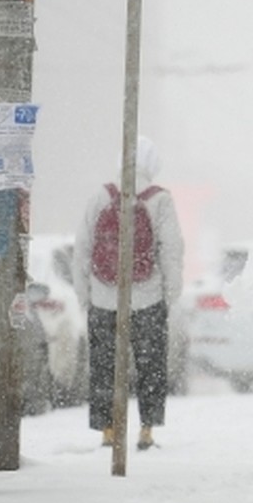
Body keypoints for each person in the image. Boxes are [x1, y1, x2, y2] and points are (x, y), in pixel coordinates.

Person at [73, 136, 184, 450]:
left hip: (102, 299)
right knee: (150, 367)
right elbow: (171, 250)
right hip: (148, 299)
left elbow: (81, 249)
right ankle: (146, 430)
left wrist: (86, 295)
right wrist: (169, 295)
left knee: (104, 366)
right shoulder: (159, 199)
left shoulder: (101, 196)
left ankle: (108, 430)